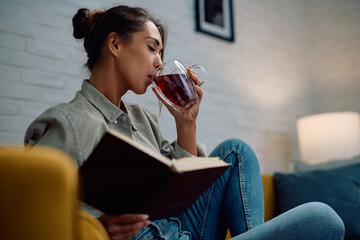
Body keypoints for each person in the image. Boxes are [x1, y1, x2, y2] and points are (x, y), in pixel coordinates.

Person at [24, 5, 345, 240]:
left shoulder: (143, 118)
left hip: (180, 229)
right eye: (152, 48)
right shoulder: (65, 122)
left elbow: (182, 193)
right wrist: (97, 227)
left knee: (236, 151)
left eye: (161, 52)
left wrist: (186, 122)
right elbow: (35, 213)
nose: (160, 62)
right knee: (323, 218)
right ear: (115, 44)